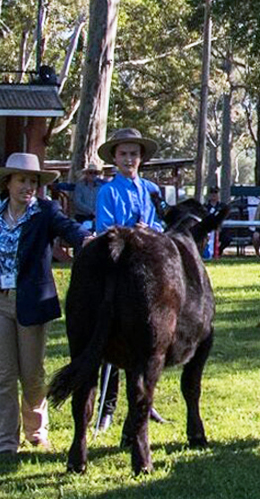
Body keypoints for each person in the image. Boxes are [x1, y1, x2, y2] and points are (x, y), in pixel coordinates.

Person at [0, 153, 87, 456]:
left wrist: (86, 239)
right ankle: (5, 444)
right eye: (22, 180)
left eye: (33, 181)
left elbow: (69, 228)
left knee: (31, 376)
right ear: (8, 183)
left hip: (31, 305)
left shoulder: (45, 212)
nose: (28, 186)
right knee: (3, 376)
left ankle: (37, 433)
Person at [92, 128, 167, 432]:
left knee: (150, 342)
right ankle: (107, 407)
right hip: (118, 271)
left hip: (147, 272)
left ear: (141, 158)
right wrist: (129, 233)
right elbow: (105, 230)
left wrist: (147, 231)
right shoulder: (107, 191)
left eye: (133, 154)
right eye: (123, 154)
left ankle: (146, 403)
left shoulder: (151, 189)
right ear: (114, 158)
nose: (128, 159)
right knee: (113, 340)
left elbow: (160, 223)